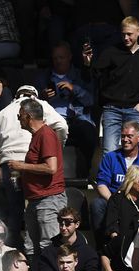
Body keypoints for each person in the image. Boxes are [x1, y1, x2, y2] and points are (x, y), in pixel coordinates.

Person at [84, 16, 139, 153]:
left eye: (129, 34)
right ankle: (111, 175)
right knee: (109, 151)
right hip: (112, 109)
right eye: (123, 34)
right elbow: (95, 74)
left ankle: (133, 176)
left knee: (135, 152)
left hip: (135, 109)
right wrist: (88, 63)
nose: (126, 38)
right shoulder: (111, 52)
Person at [8, 99, 67, 254]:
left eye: (19, 115)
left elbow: (51, 167)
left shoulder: (46, 135)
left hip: (48, 199)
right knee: (31, 248)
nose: (18, 119)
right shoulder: (37, 136)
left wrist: (21, 166)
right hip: (36, 200)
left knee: (48, 246)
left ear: (28, 116)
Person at [42, 42, 96, 179]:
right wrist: (43, 97)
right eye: (55, 58)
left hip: (77, 119)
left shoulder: (81, 74)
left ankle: (84, 172)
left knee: (88, 131)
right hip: (54, 120)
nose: (58, 61)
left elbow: (91, 100)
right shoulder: (44, 77)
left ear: (70, 57)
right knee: (43, 133)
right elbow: (32, 102)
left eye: (62, 57)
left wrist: (73, 88)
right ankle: (49, 174)